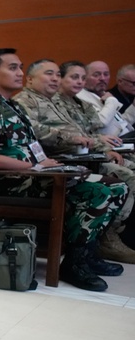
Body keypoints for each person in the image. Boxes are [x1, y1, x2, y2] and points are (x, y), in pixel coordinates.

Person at [0, 49, 128, 292]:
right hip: (13, 181)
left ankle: (82, 254)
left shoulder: (12, 106)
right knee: (101, 190)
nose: (20, 73)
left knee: (116, 185)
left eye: (21, 67)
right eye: (12, 68)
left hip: (35, 175)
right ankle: (75, 262)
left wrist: (48, 164)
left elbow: (31, 148)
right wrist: (35, 166)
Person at [46, 60, 135, 263]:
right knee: (125, 177)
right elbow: (73, 136)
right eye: (74, 77)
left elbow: (95, 128)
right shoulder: (54, 102)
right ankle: (107, 237)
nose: (79, 82)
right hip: (70, 160)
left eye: (82, 78)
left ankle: (108, 236)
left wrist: (103, 144)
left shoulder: (80, 101)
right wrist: (103, 147)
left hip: (89, 153)